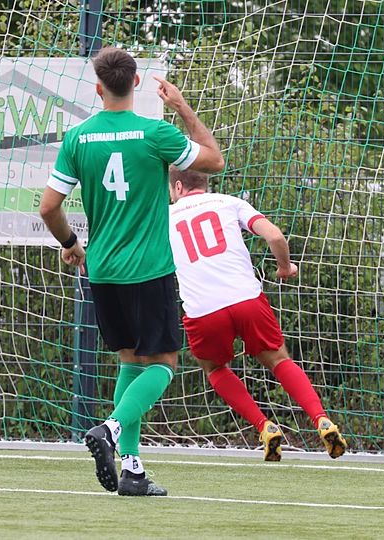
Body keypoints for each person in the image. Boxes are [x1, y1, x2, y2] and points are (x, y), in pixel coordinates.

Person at [39, 47, 224, 496]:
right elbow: (214, 160)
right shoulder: (156, 133)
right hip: (148, 269)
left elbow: (48, 208)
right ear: (136, 83)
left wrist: (71, 244)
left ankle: (133, 471)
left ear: (98, 87)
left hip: (103, 271)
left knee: (129, 360)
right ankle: (111, 428)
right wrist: (181, 106)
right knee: (163, 365)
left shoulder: (78, 138)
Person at [167, 168, 347, 461]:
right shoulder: (228, 202)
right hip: (246, 299)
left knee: (214, 369)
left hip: (203, 310)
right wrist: (285, 267)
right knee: (279, 360)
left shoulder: (164, 217)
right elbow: (274, 236)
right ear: (205, 181)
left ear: (177, 186)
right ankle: (322, 420)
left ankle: (264, 427)